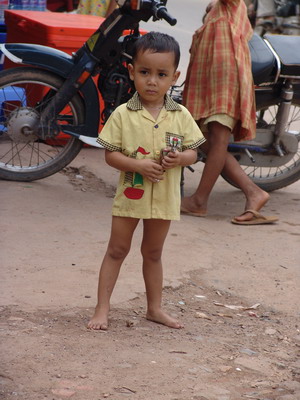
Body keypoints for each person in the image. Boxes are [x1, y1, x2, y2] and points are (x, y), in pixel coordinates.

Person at [87, 32, 205, 330]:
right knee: (117, 249)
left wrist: (180, 159)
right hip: (130, 195)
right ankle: (102, 309)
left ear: (174, 77)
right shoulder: (123, 115)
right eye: (144, 72)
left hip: (164, 198)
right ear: (131, 72)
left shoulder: (180, 115)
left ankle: (154, 309)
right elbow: (111, 156)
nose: (152, 81)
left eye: (161, 74)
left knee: (153, 253)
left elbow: (193, 152)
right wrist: (137, 164)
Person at [181, 0, 278, 225]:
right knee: (204, 140)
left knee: (217, 139)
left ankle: (199, 201)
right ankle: (253, 192)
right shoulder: (223, 7)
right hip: (212, 80)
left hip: (225, 78)